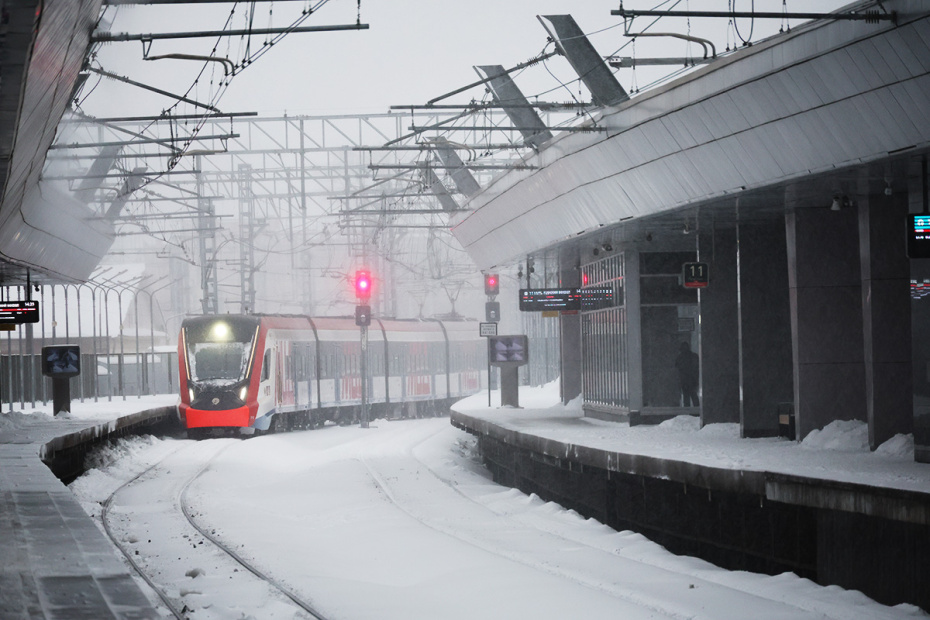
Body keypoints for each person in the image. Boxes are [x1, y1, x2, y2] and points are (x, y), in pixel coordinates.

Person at [674, 341, 700, 407]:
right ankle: (696, 412)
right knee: (694, 396)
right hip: (692, 380)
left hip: (684, 380)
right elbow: (696, 368)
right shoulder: (694, 356)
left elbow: (677, 367)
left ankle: (688, 413)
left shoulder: (680, 357)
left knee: (686, 398)